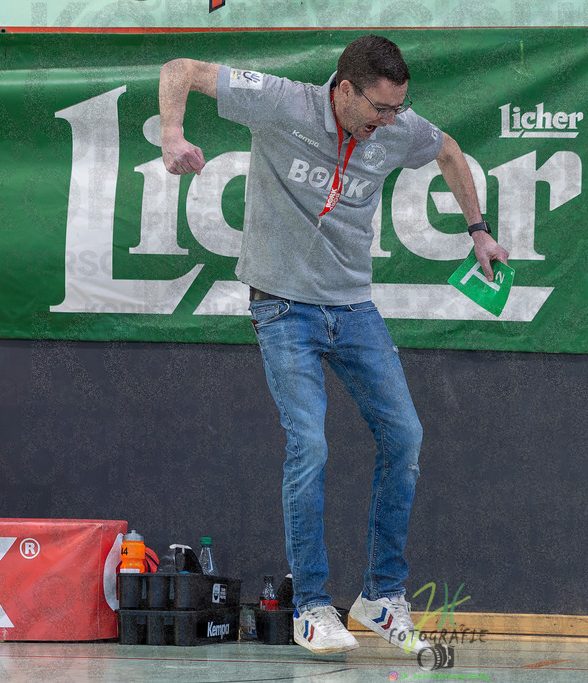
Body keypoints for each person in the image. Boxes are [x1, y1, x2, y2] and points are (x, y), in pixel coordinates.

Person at [158, 35, 508, 655]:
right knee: (311, 444)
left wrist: (478, 232)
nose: (388, 123)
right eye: (379, 109)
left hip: (353, 310)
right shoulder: (280, 103)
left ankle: (380, 598)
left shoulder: (396, 128)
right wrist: (171, 135)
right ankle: (314, 606)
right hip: (283, 309)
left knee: (405, 438)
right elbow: (179, 68)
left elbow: (449, 151)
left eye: (397, 110)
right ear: (344, 91)